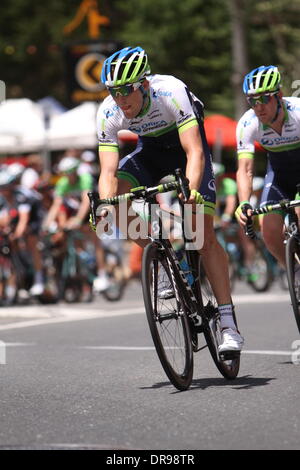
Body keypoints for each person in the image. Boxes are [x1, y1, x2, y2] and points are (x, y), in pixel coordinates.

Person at [96, 46, 244, 353]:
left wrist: (190, 189)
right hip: (149, 153)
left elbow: (194, 151)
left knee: (201, 236)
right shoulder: (107, 112)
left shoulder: (171, 91)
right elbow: (108, 171)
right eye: (113, 91)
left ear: (144, 85)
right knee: (114, 202)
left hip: (186, 150)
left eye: (126, 90)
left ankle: (228, 323)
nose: (120, 99)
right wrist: (104, 204)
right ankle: (162, 262)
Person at [235, 65, 300, 272]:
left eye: (264, 98)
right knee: (270, 232)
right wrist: (244, 202)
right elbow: (245, 169)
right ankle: (295, 274)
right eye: (252, 101)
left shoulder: (298, 113)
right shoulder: (248, 123)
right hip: (279, 175)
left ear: (279, 95)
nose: (258, 106)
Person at [43, 156, 110, 292]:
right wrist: (46, 223)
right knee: (74, 238)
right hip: (77, 210)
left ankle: (103, 274)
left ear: (75, 171)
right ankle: (86, 265)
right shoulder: (63, 183)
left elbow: (86, 202)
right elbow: (56, 205)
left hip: (92, 208)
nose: (68, 176)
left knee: (95, 238)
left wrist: (79, 219)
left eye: (70, 173)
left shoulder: (85, 178)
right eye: (65, 174)